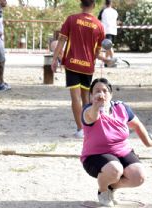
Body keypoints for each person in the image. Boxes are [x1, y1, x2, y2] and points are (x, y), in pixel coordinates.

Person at [81, 78, 152, 207]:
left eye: (105, 91)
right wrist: (96, 105)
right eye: (97, 91)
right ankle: (103, 191)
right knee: (115, 169)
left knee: (139, 176)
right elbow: (93, 116)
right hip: (95, 155)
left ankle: (111, 187)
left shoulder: (121, 107)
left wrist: (149, 142)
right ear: (91, 95)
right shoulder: (88, 110)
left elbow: (137, 125)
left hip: (122, 151)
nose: (101, 94)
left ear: (111, 95)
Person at [51, 0, 107, 139]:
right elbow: (97, 52)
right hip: (87, 66)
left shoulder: (71, 19)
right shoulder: (99, 25)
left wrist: (54, 59)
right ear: (93, 5)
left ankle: (80, 129)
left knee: (75, 98)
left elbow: (61, 41)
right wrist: (105, 59)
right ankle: (89, 127)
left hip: (72, 64)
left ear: (81, 5)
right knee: (86, 97)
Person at [100, 0, 118, 64]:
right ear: (111, 3)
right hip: (113, 31)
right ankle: (106, 62)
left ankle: (113, 60)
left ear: (105, 3)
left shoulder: (103, 11)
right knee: (109, 46)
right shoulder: (115, 11)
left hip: (106, 31)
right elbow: (116, 20)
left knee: (109, 46)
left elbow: (99, 20)